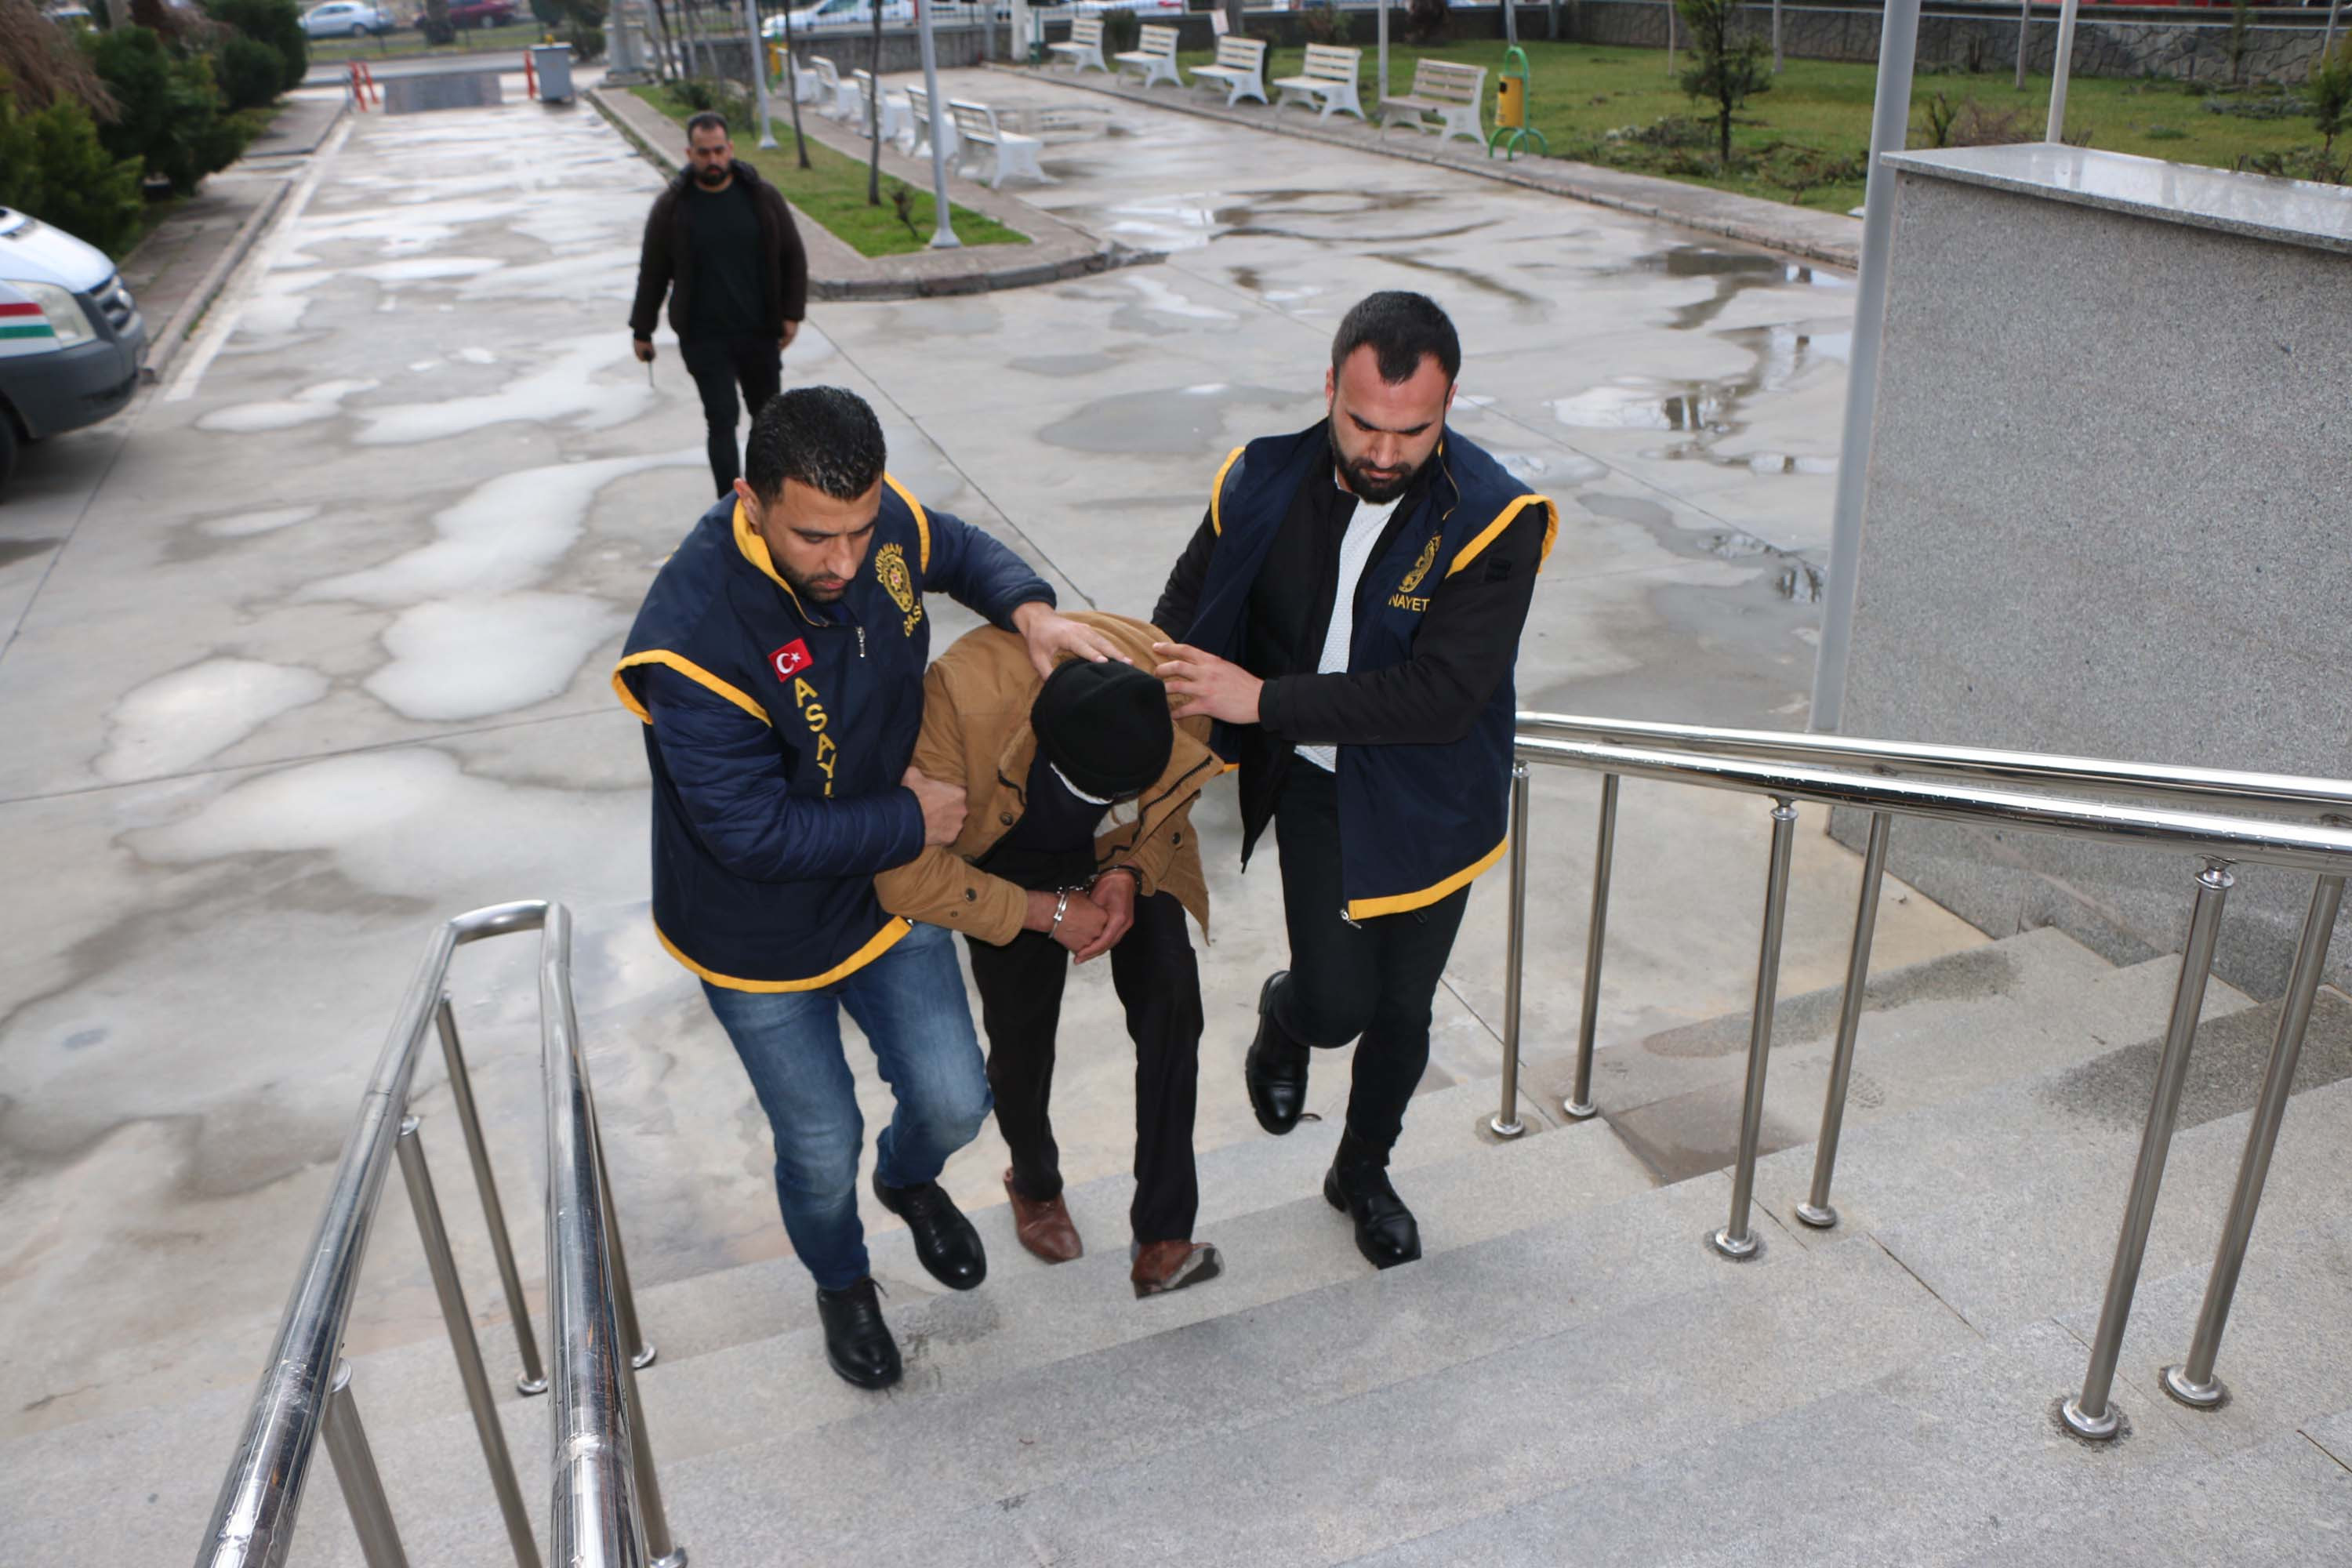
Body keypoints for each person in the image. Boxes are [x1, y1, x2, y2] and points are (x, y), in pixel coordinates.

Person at [612, 386, 1126, 1391]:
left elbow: (959, 548)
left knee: (956, 1097)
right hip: (757, 935)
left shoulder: (876, 521)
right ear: (750, 500)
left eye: (859, 529)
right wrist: (908, 820)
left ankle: (907, 1178)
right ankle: (843, 1281)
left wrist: (1030, 609)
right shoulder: (693, 637)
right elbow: (748, 832)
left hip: (886, 894)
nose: (845, 560)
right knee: (820, 1141)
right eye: (814, 536)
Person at [1149, 291, 1558, 1271]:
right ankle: (1286, 1013)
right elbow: (1182, 612)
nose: (1383, 452)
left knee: (1405, 1010)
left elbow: (1441, 697)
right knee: (1339, 1003)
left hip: (1434, 795)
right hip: (1317, 785)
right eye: (1363, 422)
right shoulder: (1259, 479)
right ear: (1330, 384)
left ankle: (1363, 1170)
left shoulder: (1495, 518)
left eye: (1411, 431)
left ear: (1449, 402)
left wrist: (1263, 699)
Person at [874, 615, 1224, 1301]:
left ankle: (1164, 1235)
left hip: (1122, 847)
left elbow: (1175, 800)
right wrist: (1050, 912)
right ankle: (1034, 1183)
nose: (1093, 805)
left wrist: (1127, 868)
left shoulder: (1175, 686)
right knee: (1021, 1039)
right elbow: (905, 877)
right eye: (1082, 792)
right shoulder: (958, 698)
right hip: (1009, 858)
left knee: (1173, 1003)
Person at [628, 110, 810, 499]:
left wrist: (792, 314)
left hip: (758, 331)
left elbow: (793, 256)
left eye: (718, 151)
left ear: (730, 149)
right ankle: (731, 506)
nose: (713, 160)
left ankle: (768, 500)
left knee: (768, 421)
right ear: (689, 153)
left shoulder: (761, 198)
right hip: (703, 336)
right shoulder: (673, 208)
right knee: (722, 420)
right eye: (703, 153)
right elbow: (653, 272)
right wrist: (642, 330)